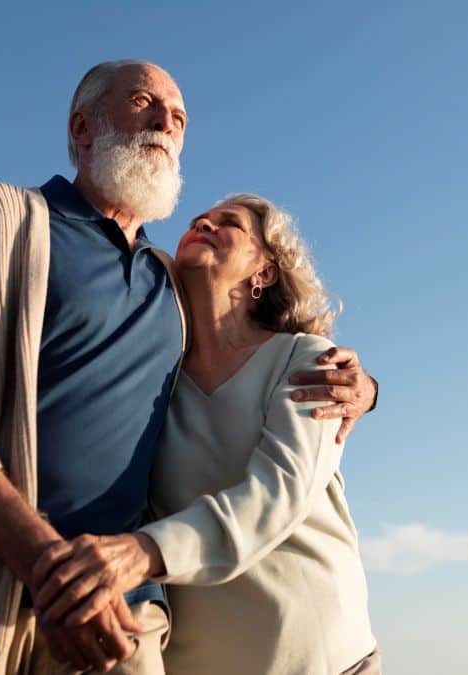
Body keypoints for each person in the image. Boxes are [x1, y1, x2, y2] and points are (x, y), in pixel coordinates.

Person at [0, 60, 377, 675]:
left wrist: (363, 389)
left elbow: (259, 349)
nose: (165, 122)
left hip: (126, 617)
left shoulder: (169, 282)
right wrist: (46, 562)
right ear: (82, 127)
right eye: (142, 102)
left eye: (179, 118)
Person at [32, 194, 380, 674]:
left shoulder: (308, 360)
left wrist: (141, 553)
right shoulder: (158, 384)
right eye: (201, 219)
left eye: (229, 223)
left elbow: (277, 495)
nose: (204, 222)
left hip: (326, 659)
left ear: (265, 271)